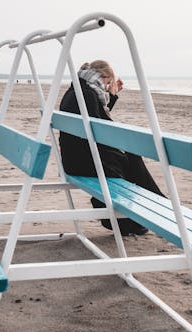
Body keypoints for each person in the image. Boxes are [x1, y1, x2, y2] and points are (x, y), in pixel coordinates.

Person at [59, 60, 164, 237]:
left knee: (129, 156)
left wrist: (112, 96)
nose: (107, 87)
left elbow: (96, 122)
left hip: (75, 157)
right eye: (108, 83)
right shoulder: (88, 95)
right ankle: (154, 207)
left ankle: (150, 208)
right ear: (104, 77)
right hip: (85, 162)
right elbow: (100, 129)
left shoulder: (77, 90)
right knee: (129, 159)